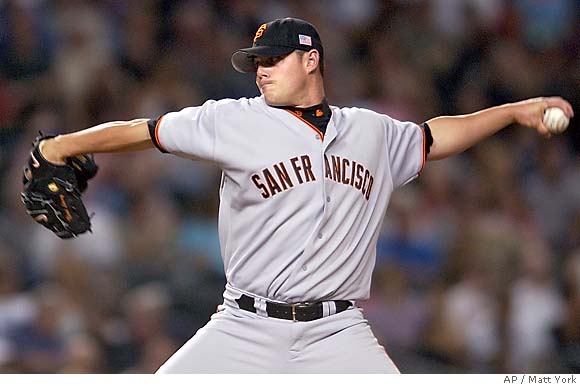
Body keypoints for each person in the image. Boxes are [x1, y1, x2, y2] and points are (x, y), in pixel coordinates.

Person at [34, 18, 573, 373]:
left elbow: (437, 136)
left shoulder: (372, 132)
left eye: (273, 60)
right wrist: (61, 145)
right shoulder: (233, 120)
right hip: (244, 325)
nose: (261, 71)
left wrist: (511, 111)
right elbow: (143, 130)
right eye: (256, 63)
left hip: (337, 332)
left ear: (310, 60)